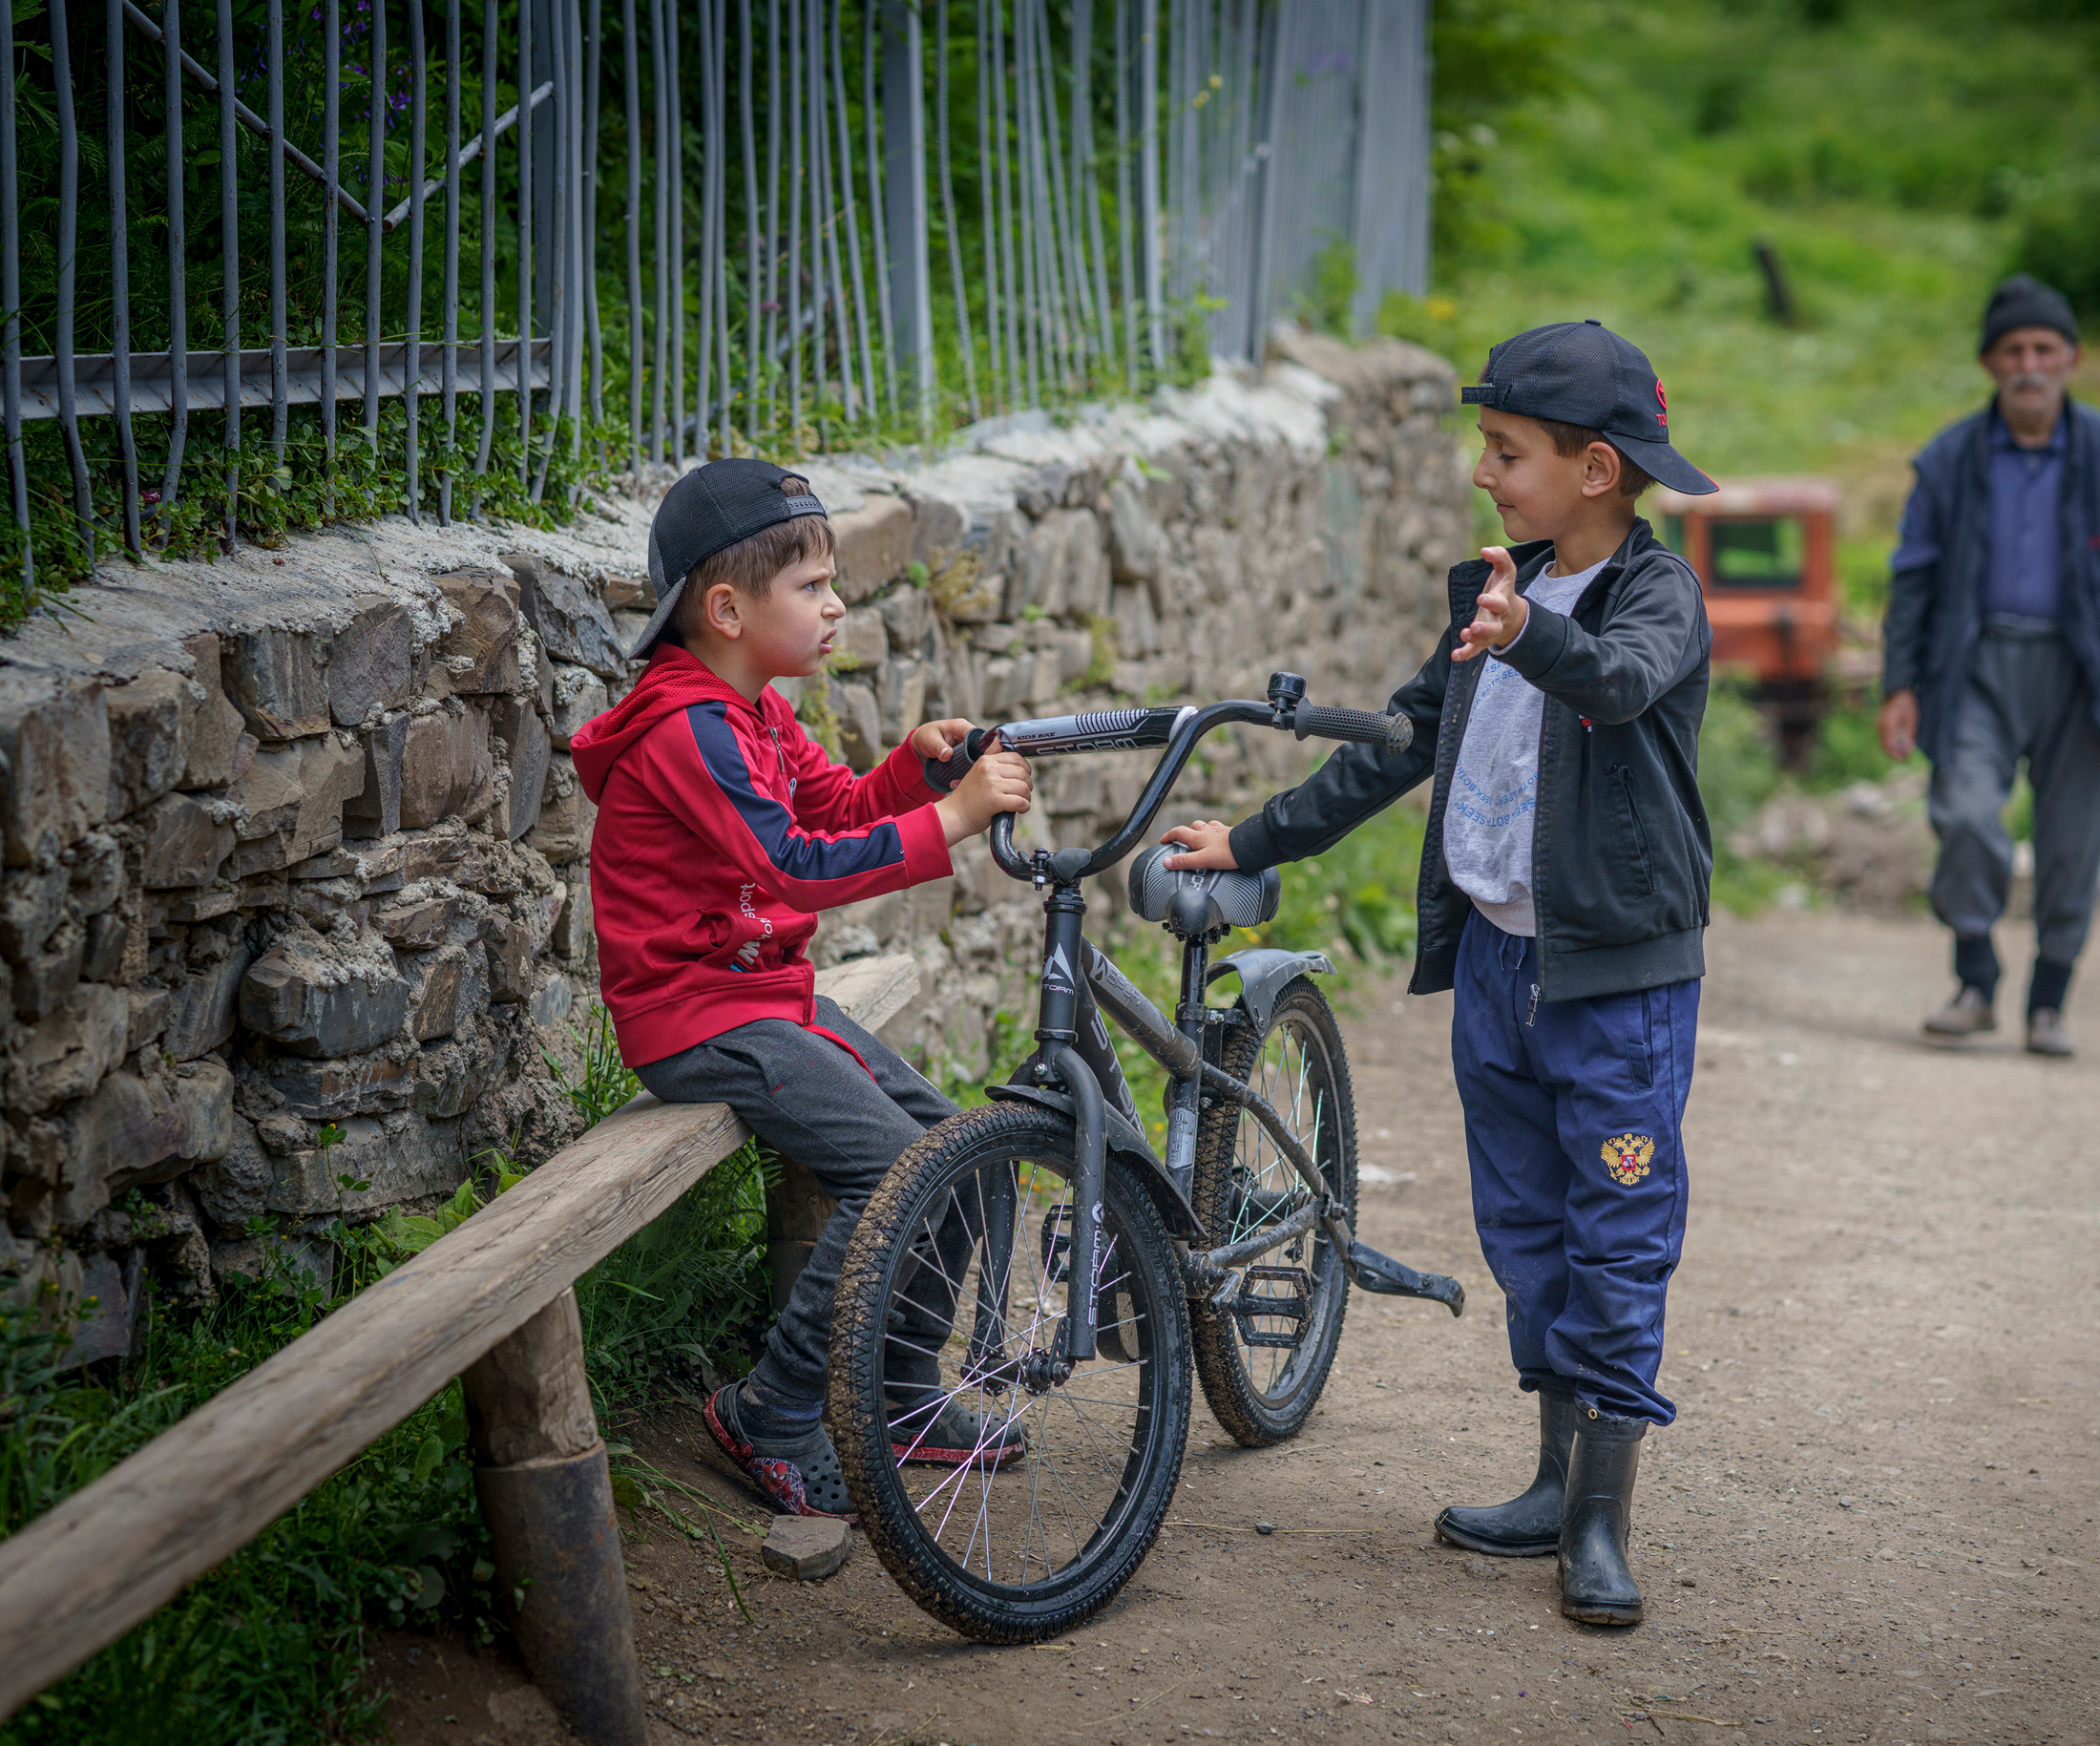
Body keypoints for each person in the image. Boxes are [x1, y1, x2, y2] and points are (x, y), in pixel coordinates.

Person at [1161, 322, 1715, 1627]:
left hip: (1615, 983)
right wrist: (1252, 834)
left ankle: (1600, 1520)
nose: (1484, 471)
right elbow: (1405, 739)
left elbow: (1623, 687)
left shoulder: (1656, 594)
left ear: (1594, 470)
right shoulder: (1494, 584)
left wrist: (1528, 635)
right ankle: (1546, 1475)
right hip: (1498, 971)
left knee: (1617, 1234)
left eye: (1507, 451)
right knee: (1526, 1225)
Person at [570, 459, 1036, 1519]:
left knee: (954, 1148)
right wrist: (953, 821)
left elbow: (831, 807)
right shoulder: (691, 728)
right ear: (728, 608)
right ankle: (771, 1405)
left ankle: (903, 1389)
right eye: (814, 588)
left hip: (760, 999)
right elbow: (792, 865)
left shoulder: (753, 711)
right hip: (695, 1019)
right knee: (890, 1168)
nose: (837, 606)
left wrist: (916, 773)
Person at [1880, 274, 2100, 1059]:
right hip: (1975, 665)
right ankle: (1977, 980)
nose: (2030, 364)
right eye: (2014, 349)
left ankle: (2049, 1002)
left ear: (2073, 359)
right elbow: (1912, 578)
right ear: (1990, 363)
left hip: (2086, 670)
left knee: (2071, 843)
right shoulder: (1948, 460)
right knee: (1966, 815)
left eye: (2045, 349)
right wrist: (1899, 686)